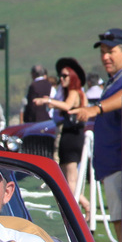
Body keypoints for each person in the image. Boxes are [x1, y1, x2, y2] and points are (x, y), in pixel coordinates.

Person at [72, 28, 122, 242]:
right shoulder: (118, 81)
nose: (105, 56)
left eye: (111, 51)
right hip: (115, 167)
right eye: (102, 51)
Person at [33, 57, 88, 194]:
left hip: (72, 134)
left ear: (72, 77)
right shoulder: (73, 92)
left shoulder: (75, 91)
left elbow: (67, 105)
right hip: (68, 134)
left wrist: (47, 101)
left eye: (65, 76)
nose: (61, 79)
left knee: (70, 178)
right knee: (65, 177)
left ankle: (76, 208)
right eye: (60, 76)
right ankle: (82, 206)